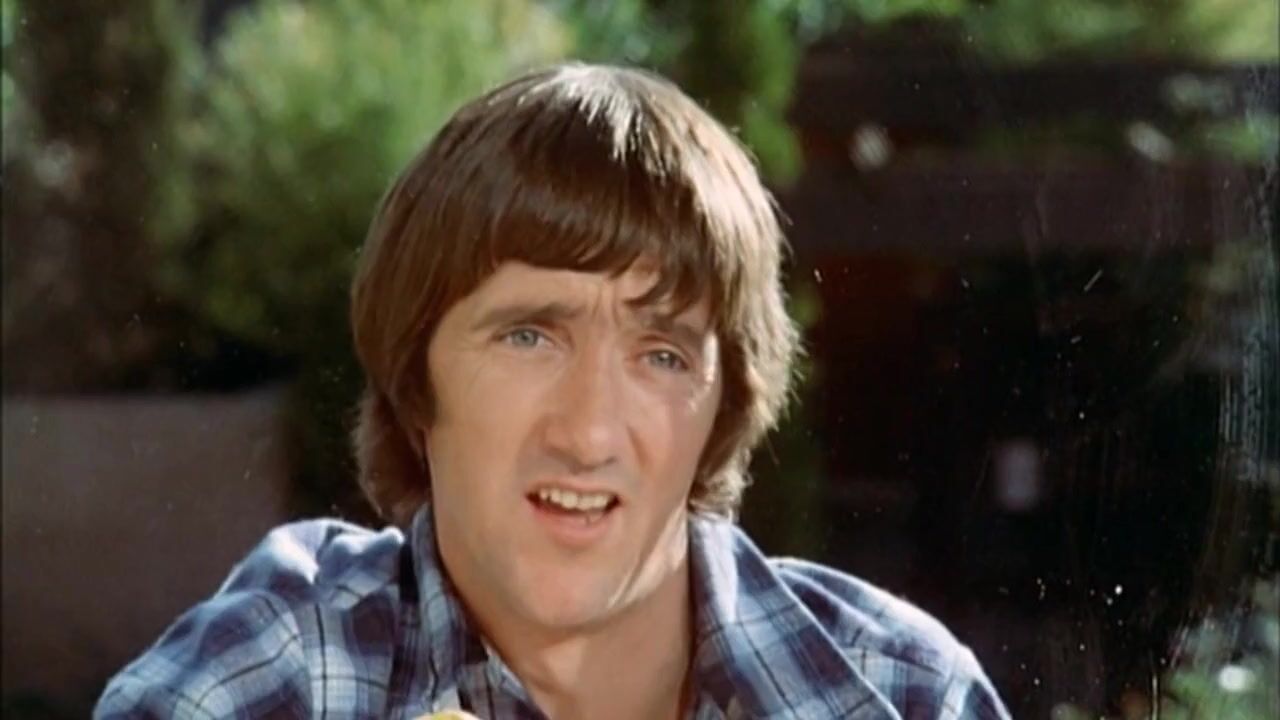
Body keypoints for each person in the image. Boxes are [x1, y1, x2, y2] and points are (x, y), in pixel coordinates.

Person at [96, 63, 1011, 720]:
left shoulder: (903, 693)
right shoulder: (272, 686)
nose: (588, 433)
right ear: (416, 382)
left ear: (722, 408)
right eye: (529, 336)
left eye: (661, 354)